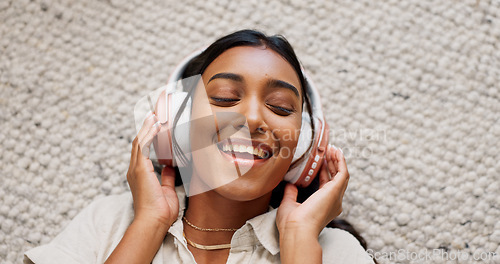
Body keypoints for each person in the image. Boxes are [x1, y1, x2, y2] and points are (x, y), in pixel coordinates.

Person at [24, 29, 375, 264]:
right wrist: (148, 225)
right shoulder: (110, 222)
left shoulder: (333, 253)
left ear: (305, 147)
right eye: (224, 98)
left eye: (281, 108)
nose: (253, 119)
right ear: (175, 125)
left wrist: (299, 244)